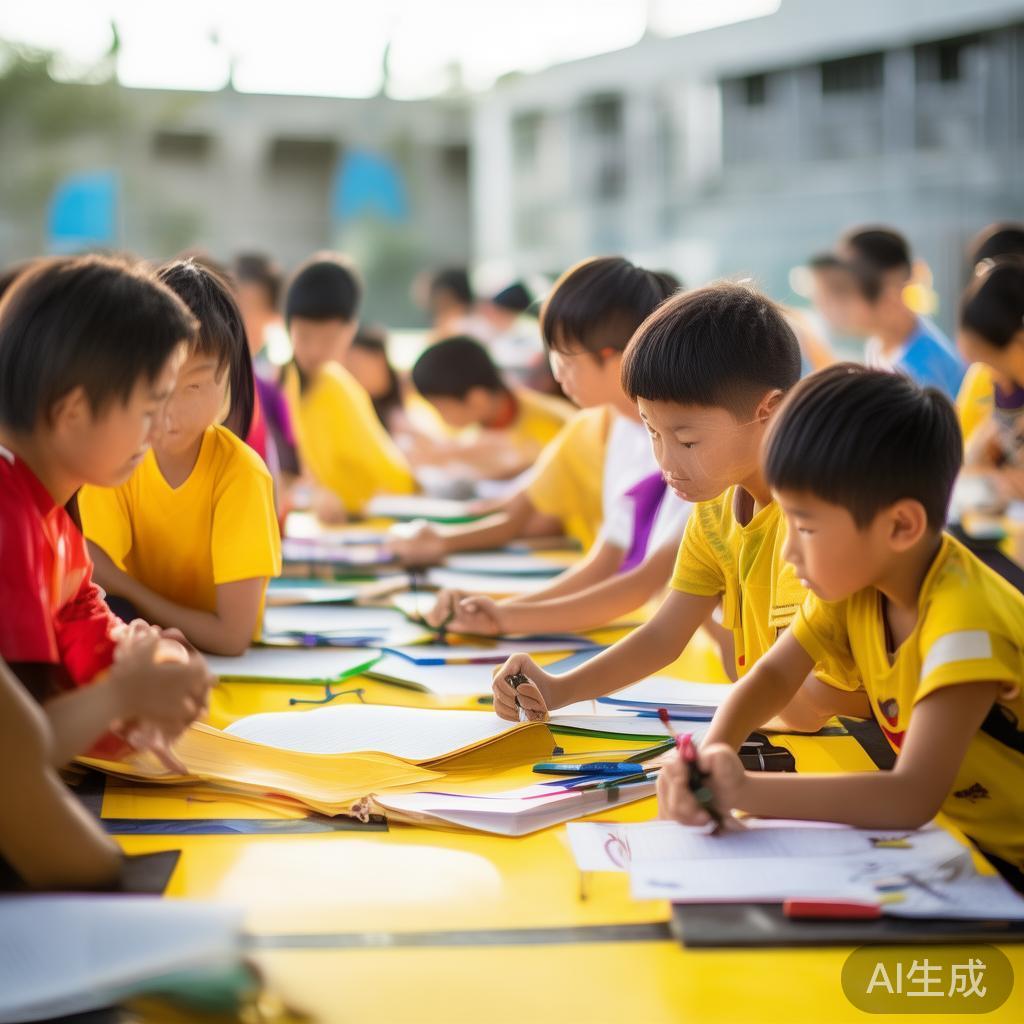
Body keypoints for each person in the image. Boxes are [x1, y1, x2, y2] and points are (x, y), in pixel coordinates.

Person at [659, 364, 1024, 892]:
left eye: (805, 526)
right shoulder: (860, 585)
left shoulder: (963, 624)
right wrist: (715, 752)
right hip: (965, 848)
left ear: (900, 525)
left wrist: (743, 790)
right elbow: (771, 677)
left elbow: (909, 796)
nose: (789, 550)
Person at [491, 283, 870, 728]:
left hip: (856, 748)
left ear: (769, 411)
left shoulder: (809, 524)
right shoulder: (716, 508)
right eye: (653, 432)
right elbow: (663, 636)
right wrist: (558, 689)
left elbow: (803, 709)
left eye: (688, 440)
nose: (667, 462)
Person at [396, 259, 690, 637]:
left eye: (565, 356)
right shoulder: (616, 429)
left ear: (615, 358)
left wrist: (503, 618)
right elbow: (607, 559)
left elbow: (643, 582)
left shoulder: (681, 445)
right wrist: (498, 613)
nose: (555, 372)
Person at [0, 254, 213, 767]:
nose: (161, 428)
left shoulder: (49, 512)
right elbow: (18, 751)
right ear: (72, 411)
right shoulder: (9, 515)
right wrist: (123, 694)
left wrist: (153, 667)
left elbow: (89, 633)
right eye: (147, 410)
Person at [80, 259, 282, 655]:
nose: (172, 409)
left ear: (227, 381)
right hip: (143, 652)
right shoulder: (117, 461)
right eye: (161, 382)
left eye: (195, 385)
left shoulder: (241, 475)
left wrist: (129, 591)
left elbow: (230, 637)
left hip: (222, 669)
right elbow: (92, 587)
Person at [281, 253, 415, 521]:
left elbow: (393, 477)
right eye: (304, 336)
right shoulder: (285, 385)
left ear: (350, 331)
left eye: (328, 339)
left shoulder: (336, 387)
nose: (315, 351)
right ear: (287, 326)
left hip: (369, 523)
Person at [809, 226, 965, 397]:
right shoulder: (881, 344)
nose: (828, 305)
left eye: (842, 291)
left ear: (888, 299)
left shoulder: (919, 378)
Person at [409, 335, 572, 479]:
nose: (440, 416)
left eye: (442, 408)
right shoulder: (470, 424)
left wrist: (453, 454)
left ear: (477, 399)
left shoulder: (556, 422)